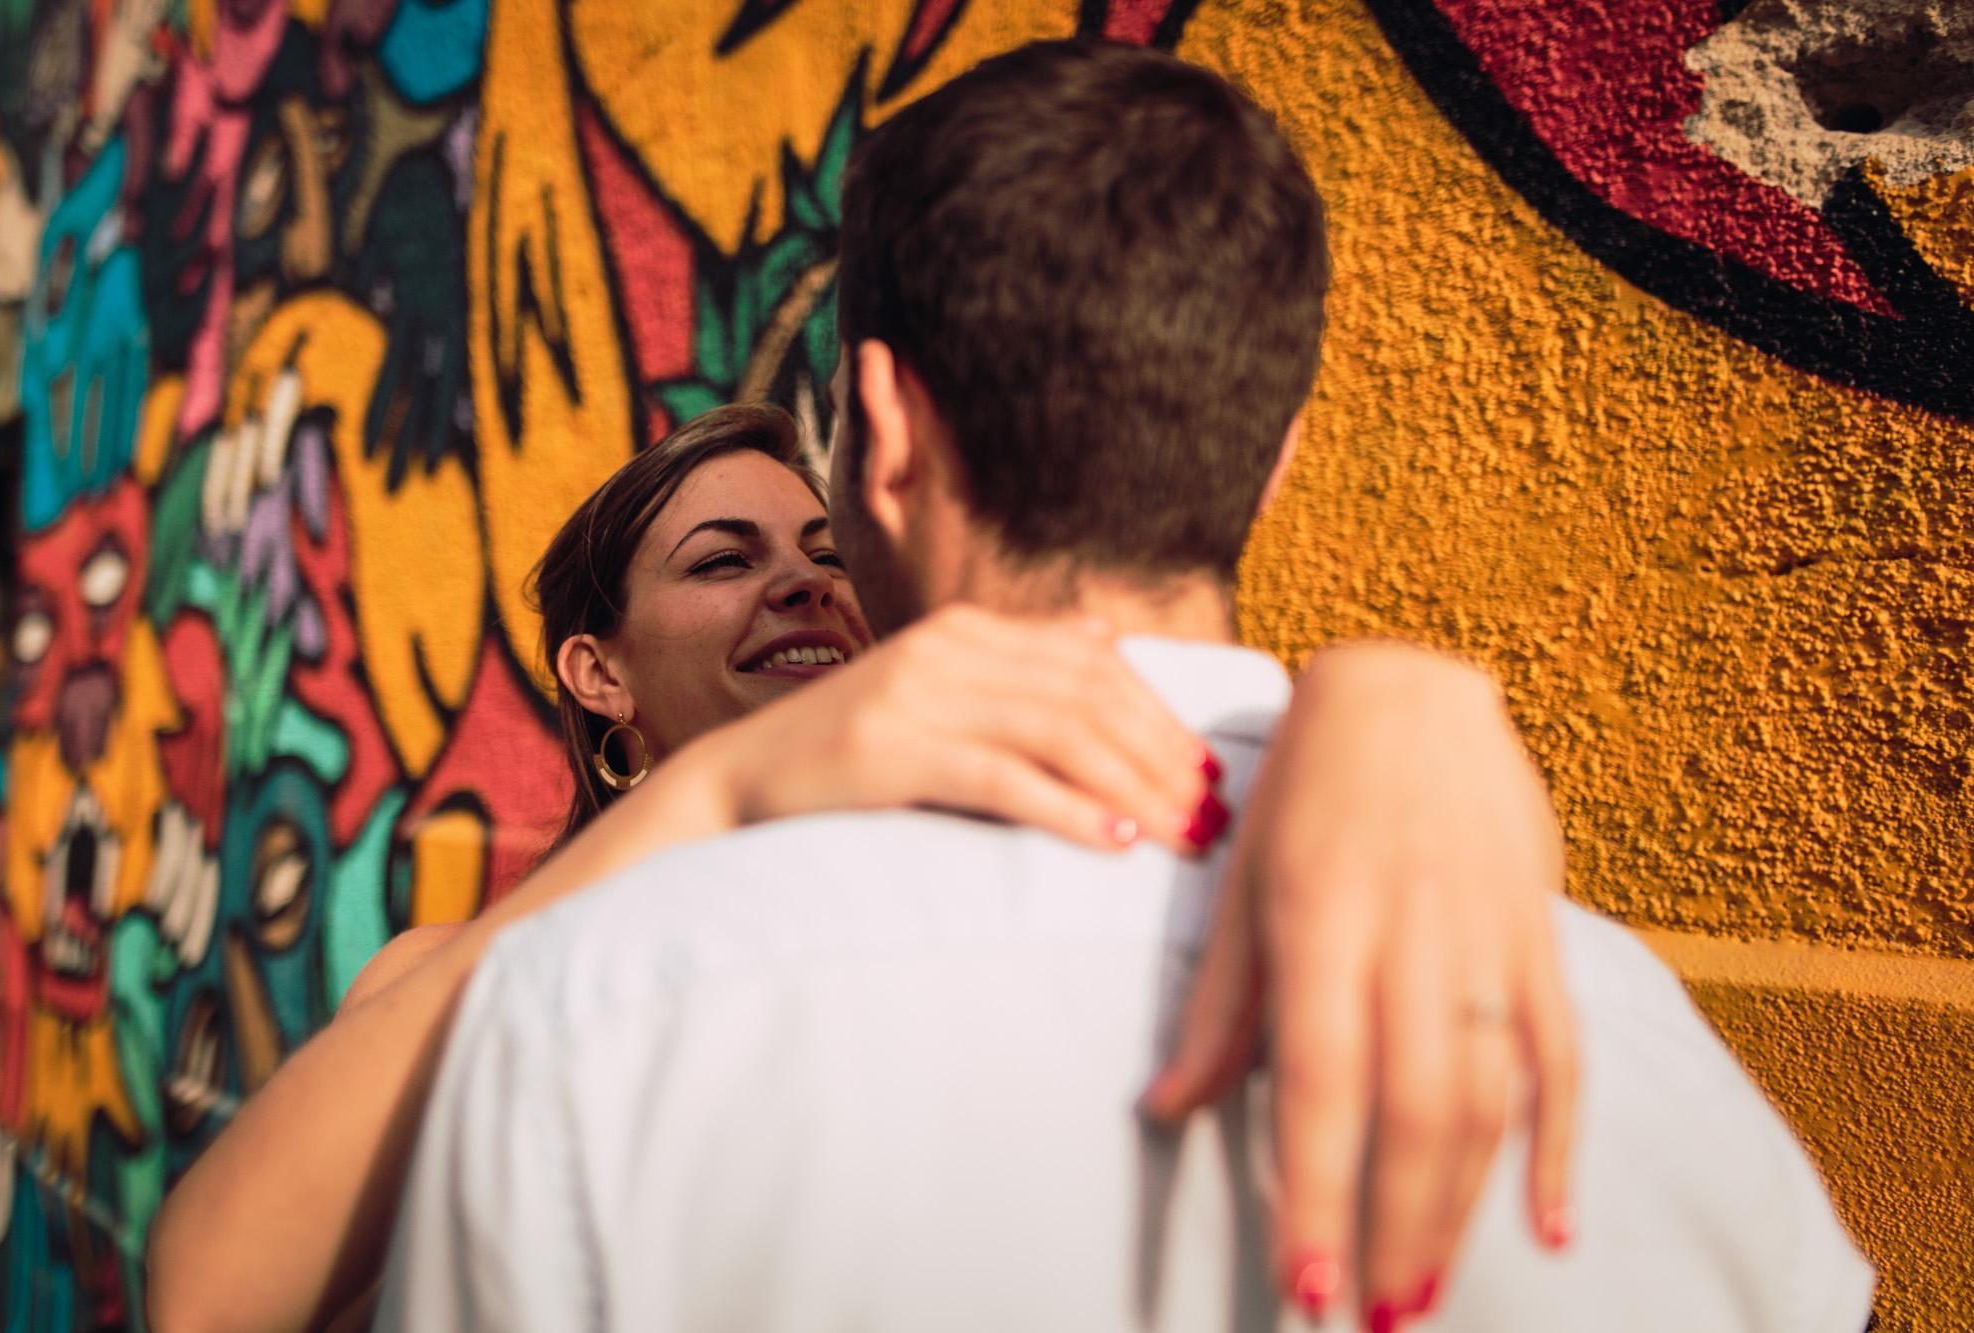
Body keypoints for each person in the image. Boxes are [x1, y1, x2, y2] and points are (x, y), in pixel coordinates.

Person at [376, 38, 1873, 1333]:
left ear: (884, 434)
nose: (799, 582)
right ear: (1273, 461)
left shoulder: (598, 1019)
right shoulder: (1633, 1041)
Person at [146, 399, 1575, 1330]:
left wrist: (1400, 697)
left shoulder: (960, 896)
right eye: (723, 559)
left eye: (825, 547)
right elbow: (209, 1298)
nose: (801, 578)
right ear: (598, 669)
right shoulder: (450, 980)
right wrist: (732, 784)